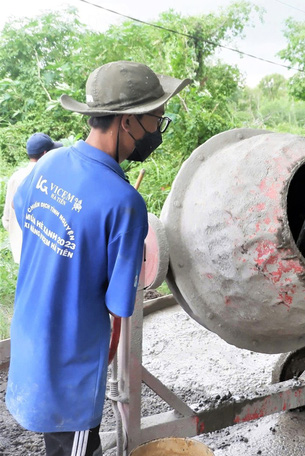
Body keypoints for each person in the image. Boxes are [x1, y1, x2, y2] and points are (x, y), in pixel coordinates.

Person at [5, 61, 190, 456]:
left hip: (29, 336)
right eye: (156, 119)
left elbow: (28, 219)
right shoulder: (124, 203)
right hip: (71, 364)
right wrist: (102, 359)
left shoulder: (49, 164)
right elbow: (119, 309)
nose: (158, 129)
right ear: (127, 122)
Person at [2, 133, 62, 263]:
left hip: (21, 252)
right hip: (45, 254)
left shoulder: (15, 177)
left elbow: (6, 219)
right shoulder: (50, 176)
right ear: (45, 154)